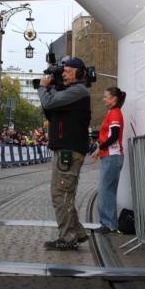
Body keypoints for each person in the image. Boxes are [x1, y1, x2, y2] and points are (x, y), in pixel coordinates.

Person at [38, 57, 93, 251]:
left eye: (67, 71)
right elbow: (51, 112)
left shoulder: (78, 91)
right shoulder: (72, 92)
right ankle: (76, 233)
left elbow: (50, 102)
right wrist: (52, 89)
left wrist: (44, 88)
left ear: (79, 73)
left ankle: (68, 238)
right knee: (63, 194)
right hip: (66, 148)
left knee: (61, 195)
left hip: (68, 149)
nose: (63, 74)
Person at [92, 86, 127, 234]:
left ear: (114, 99)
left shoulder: (114, 114)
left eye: (106, 96)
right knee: (108, 191)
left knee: (105, 191)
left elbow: (113, 136)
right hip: (112, 156)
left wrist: (100, 148)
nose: (104, 99)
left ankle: (108, 224)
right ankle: (110, 223)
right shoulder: (113, 113)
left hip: (112, 156)